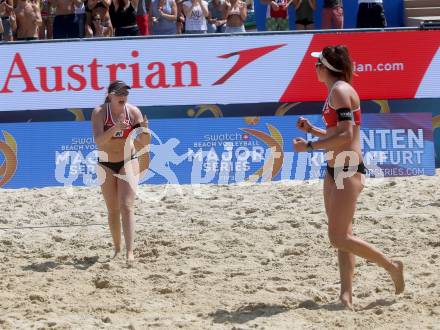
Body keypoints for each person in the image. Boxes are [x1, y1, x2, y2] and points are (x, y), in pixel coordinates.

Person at [293, 45, 404, 309]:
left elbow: (345, 136)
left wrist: (308, 147)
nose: (314, 68)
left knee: (338, 237)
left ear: (327, 68)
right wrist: (313, 130)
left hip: (347, 166)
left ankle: (392, 266)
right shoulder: (335, 91)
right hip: (336, 166)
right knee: (343, 234)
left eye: (317, 64)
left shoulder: (341, 91)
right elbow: (338, 133)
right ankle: (346, 296)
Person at [91, 80, 150, 264]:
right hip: (106, 163)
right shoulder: (99, 112)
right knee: (112, 209)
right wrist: (116, 127)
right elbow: (99, 141)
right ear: (110, 95)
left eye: (125, 93)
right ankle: (117, 249)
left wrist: (145, 130)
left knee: (126, 206)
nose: (123, 96)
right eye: (119, 93)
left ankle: (130, 252)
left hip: (128, 160)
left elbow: (144, 143)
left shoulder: (133, 112)